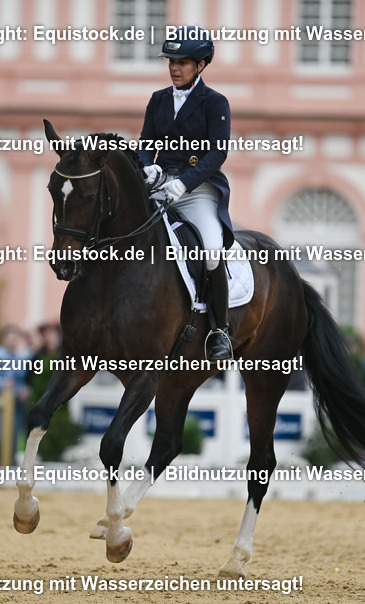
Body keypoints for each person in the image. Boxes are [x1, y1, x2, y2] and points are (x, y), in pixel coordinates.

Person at [138, 26, 235, 361]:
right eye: (171, 61)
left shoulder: (215, 103)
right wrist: (147, 167)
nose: (174, 67)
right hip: (160, 186)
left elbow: (217, 154)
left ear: (201, 65)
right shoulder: (158, 100)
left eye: (182, 62)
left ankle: (220, 329)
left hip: (197, 192)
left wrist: (184, 183)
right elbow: (145, 145)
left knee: (210, 249)